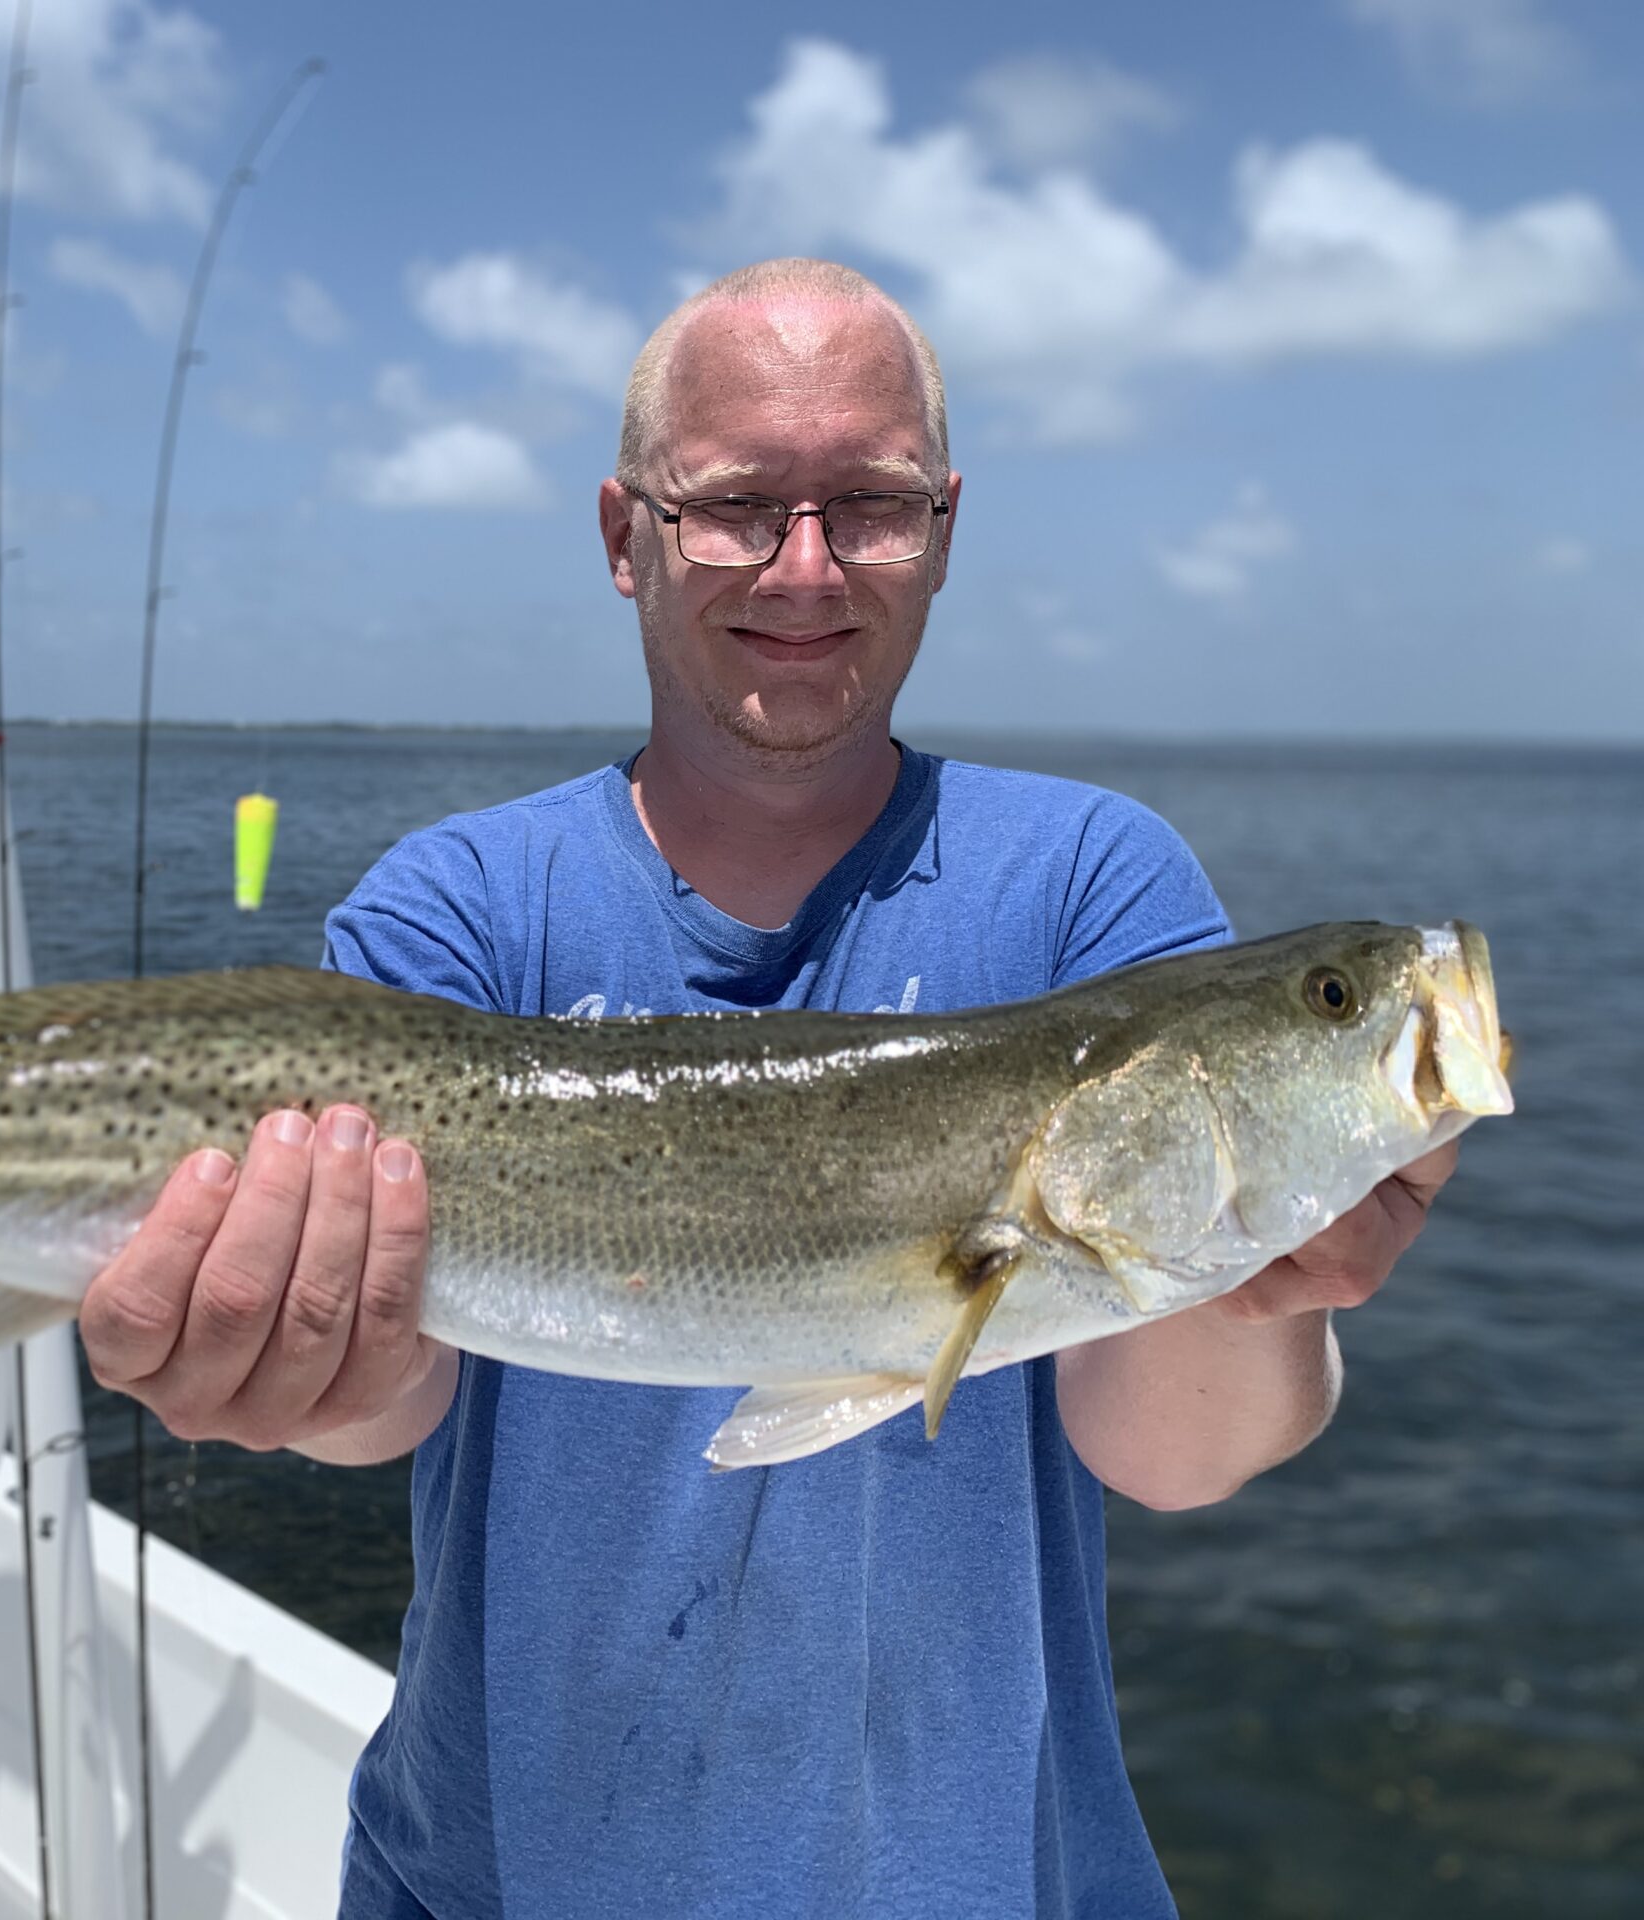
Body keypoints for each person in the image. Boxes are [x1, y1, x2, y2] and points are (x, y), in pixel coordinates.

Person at [77, 258, 1458, 1918]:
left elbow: (1171, 1457)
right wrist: (271, 1360)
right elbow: (396, 1411)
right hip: (501, 1875)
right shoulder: (457, 907)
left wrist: (1261, 1285)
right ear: (624, 536)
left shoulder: (1099, 885)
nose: (805, 566)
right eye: (738, 505)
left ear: (943, 530)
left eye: (867, 503)